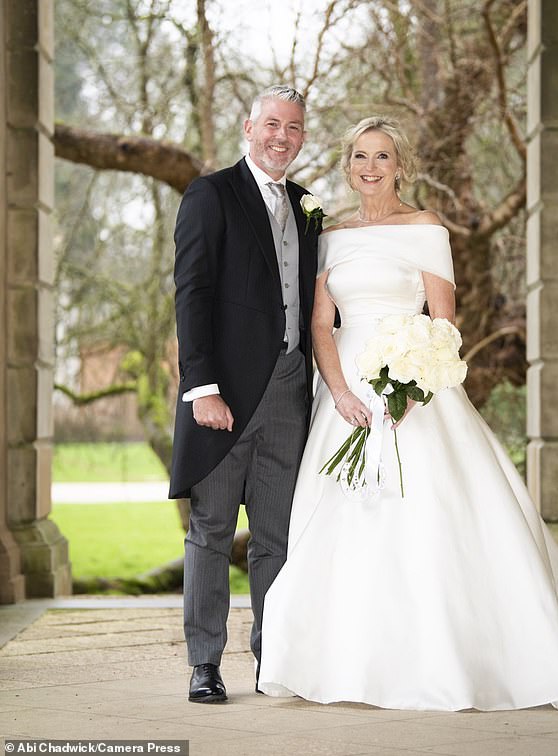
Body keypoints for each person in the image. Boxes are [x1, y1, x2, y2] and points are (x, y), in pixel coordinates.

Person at [257, 116, 558, 711]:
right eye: (360, 156)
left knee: (429, 516)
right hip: (345, 396)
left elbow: (442, 322)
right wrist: (341, 391)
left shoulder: (426, 228)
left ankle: (454, 657)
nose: (371, 167)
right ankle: (343, 659)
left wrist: (410, 389)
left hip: (414, 392)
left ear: (400, 165)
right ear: (348, 165)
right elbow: (319, 324)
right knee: (338, 523)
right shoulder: (328, 232)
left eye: (382, 156)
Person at [169, 85, 320, 703]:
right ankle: (205, 663)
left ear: (302, 136)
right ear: (247, 127)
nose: (282, 136)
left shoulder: (309, 206)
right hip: (223, 395)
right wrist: (201, 387)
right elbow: (192, 294)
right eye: (271, 124)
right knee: (209, 529)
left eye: (294, 127)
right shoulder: (210, 194)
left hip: (289, 389)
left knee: (276, 532)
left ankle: (271, 656)